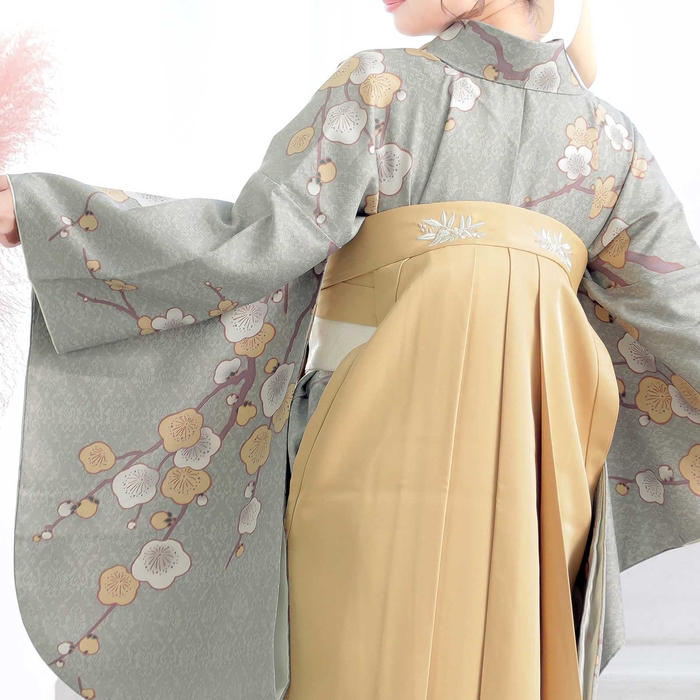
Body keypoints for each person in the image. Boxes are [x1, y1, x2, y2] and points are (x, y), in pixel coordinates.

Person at [1, 1, 699, 699]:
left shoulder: (379, 90)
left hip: (369, 465)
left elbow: (247, 245)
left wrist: (56, 222)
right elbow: (684, 318)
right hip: (533, 501)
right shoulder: (613, 147)